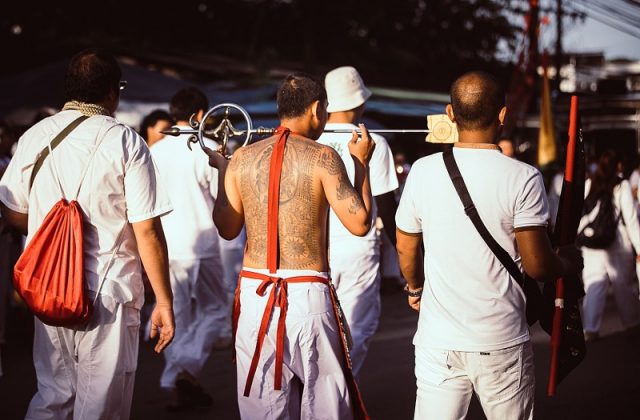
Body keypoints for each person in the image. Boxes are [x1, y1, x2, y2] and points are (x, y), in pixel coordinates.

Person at [395, 71, 583, 420]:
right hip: (501, 340)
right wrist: (569, 263)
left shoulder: (422, 171)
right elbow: (538, 265)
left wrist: (415, 287)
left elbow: (406, 246)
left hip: (439, 341)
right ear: (502, 114)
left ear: (450, 114)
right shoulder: (524, 177)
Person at [0, 48, 175, 419]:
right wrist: (164, 301)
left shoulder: (33, 137)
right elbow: (147, 230)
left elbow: (14, 212)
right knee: (101, 406)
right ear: (113, 91)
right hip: (107, 294)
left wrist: (52, 231)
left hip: (48, 287)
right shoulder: (127, 142)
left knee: (53, 395)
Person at [204, 73, 374, 419]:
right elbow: (360, 223)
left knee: (264, 407)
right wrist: (361, 163)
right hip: (306, 294)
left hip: (256, 294)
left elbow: (226, 228)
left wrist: (224, 170)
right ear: (316, 109)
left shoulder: (242, 158)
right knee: (326, 405)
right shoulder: (323, 157)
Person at [317, 66, 399, 376]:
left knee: (322, 333)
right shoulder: (373, 142)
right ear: (360, 102)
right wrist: (408, 260)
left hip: (314, 250)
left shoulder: (311, 142)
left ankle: (323, 399)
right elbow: (388, 210)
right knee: (357, 331)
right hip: (357, 250)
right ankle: (336, 402)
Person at [150, 87, 228, 410]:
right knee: (217, 310)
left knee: (175, 316)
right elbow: (222, 199)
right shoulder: (206, 148)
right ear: (200, 116)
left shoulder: (154, 152)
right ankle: (185, 368)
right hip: (205, 243)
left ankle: (182, 372)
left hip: (166, 245)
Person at [579, 151, 640, 342]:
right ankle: (632, 324)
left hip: (592, 243)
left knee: (593, 284)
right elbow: (630, 219)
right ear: (619, 166)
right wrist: (639, 247)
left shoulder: (589, 183)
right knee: (623, 285)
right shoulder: (621, 185)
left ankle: (590, 328)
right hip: (618, 242)